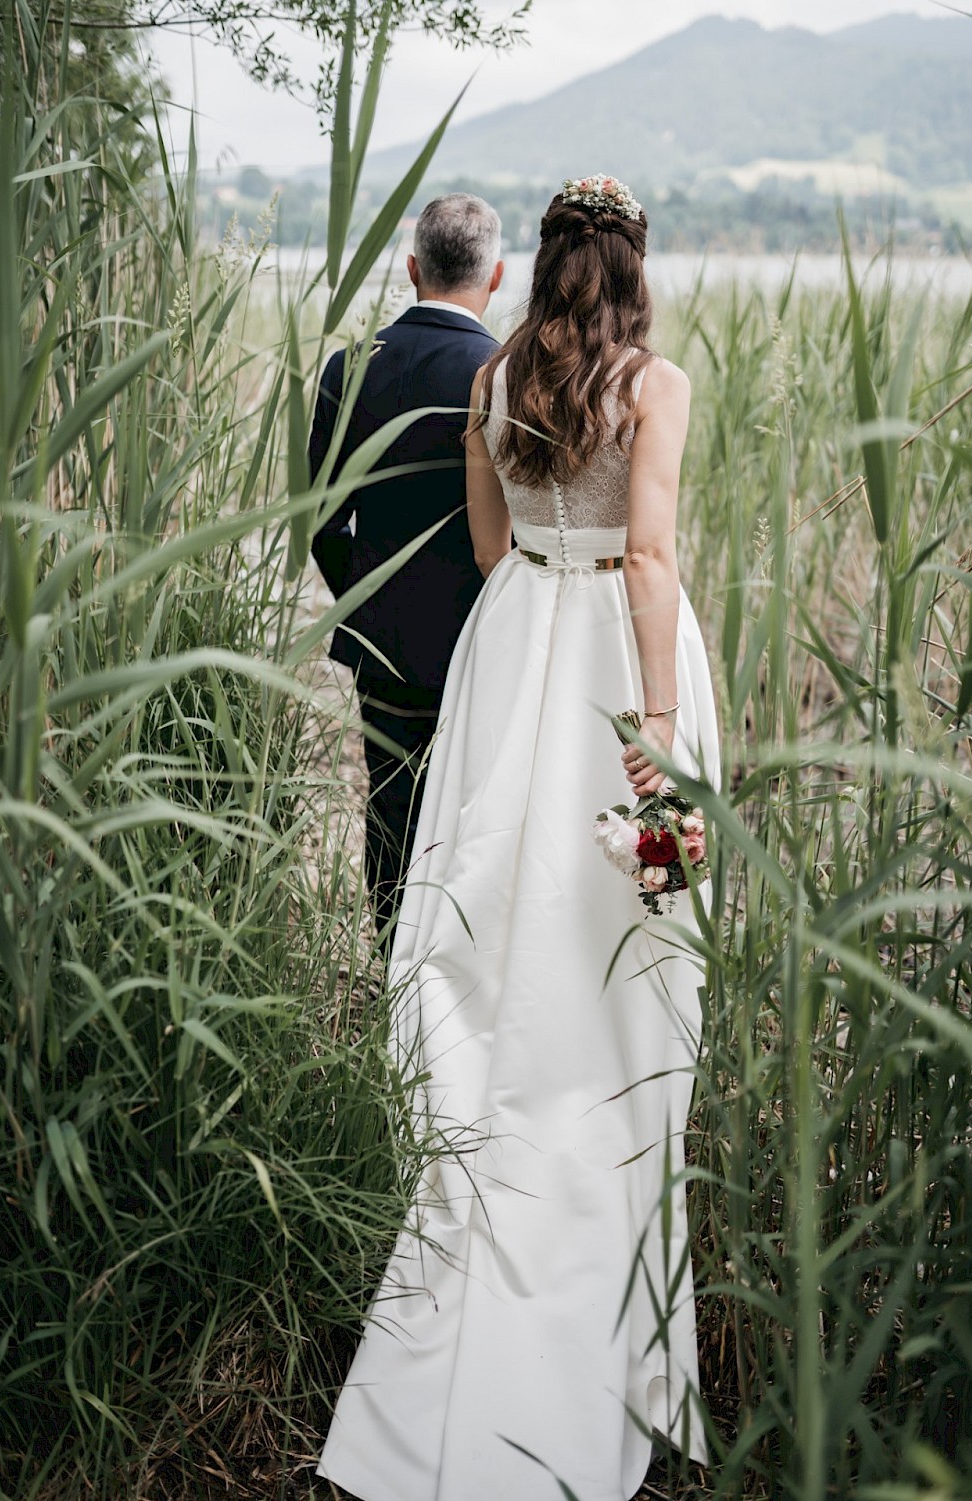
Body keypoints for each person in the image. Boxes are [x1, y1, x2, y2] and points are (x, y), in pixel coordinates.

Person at [316, 175, 721, 1501]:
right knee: (630, 961)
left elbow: (492, 554)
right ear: (635, 271)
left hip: (517, 660)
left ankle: (476, 1204)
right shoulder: (655, 388)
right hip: (618, 660)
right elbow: (652, 559)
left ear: (545, 272)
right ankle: (601, 1254)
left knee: (495, 944)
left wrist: (543, 610)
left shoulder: (495, 380)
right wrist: (654, 743)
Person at [309, 193, 503, 938]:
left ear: (413, 267)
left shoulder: (347, 368)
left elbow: (323, 522)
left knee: (388, 806)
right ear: (495, 277)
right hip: (480, 641)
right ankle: (452, 972)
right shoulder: (500, 374)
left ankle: (394, 969)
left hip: (382, 641)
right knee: (473, 808)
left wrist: (365, 598)